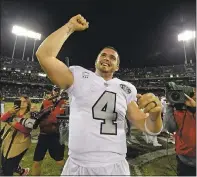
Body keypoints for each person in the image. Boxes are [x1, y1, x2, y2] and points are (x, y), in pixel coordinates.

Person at [36, 14, 163, 176]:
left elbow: (148, 127)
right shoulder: (77, 76)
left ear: (117, 66)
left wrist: (155, 114)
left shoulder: (125, 88)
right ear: (96, 60)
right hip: (78, 163)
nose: (107, 58)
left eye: (112, 57)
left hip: (114, 165)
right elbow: (44, 56)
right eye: (103, 55)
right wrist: (69, 27)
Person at [32, 86, 66, 176]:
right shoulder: (46, 102)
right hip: (43, 135)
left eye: (59, 90)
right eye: (55, 90)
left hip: (56, 136)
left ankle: (68, 172)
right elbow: (39, 116)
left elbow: (56, 119)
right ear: (52, 91)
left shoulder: (63, 103)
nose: (57, 92)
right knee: (36, 162)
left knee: (59, 161)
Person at [164, 88, 196, 176]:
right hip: (184, 159)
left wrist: (194, 109)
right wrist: (169, 107)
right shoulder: (179, 111)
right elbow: (170, 128)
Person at [0, 96, 32, 176]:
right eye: (20, 101)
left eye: (24, 101)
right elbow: (3, 119)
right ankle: (22, 171)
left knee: (7, 167)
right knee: (4, 163)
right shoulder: (13, 112)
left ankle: (18, 171)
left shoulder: (30, 115)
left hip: (20, 144)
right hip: (8, 142)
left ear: (28, 104)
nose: (21, 102)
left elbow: (27, 130)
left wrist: (14, 124)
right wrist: (9, 112)